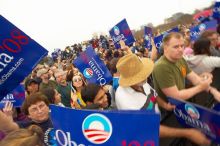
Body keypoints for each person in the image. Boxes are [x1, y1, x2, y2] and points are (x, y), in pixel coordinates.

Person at [115, 53, 210, 146]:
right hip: (147, 136)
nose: (145, 77)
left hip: (159, 121)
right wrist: (187, 133)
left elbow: (153, 95)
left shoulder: (141, 82)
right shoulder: (125, 101)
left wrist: (165, 106)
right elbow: (149, 128)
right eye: (140, 76)